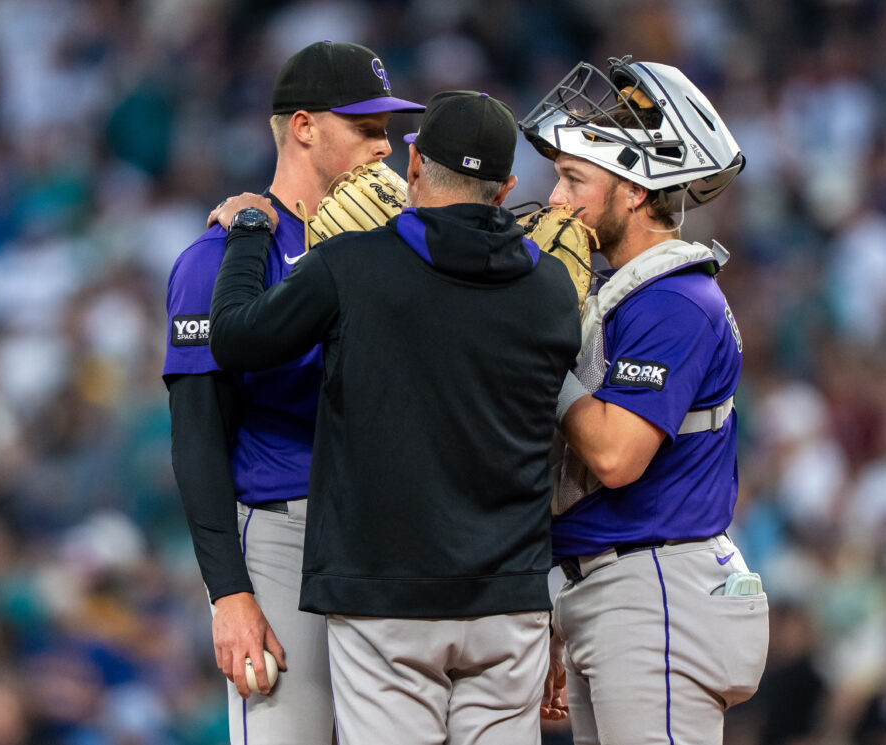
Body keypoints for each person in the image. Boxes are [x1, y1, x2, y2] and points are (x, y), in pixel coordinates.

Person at [207, 90, 581, 745]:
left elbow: (236, 339)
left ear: (414, 165)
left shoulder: (351, 265)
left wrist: (247, 234)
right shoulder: (551, 286)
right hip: (508, 597)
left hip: (386, 595)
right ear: (508, 187)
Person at [162, 40, 422, 745]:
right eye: (366, 128)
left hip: (394, 539)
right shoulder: (221, 259)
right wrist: (229, 593)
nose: (385, 146)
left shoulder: (407, 252)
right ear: (304, 127)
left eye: (389, 131)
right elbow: (196, 437)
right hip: (283, 535)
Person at [518, 56, 770, 745]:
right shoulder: (627, 290)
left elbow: (616, 454)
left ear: (632, 190)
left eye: (574, 177)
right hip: (616, 586)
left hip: (654, 589)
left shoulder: (673, 299)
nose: (556, 198)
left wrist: (540, 353)